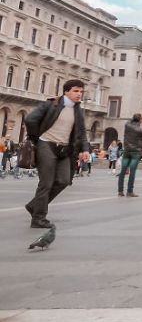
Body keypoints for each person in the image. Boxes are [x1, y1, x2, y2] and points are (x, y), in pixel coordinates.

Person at [23, 79, 90, 228]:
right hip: (46, 145)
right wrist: (36, 138)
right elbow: (30, 119)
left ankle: (34, 206)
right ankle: (38, 218)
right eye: (75, 91)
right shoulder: (51, 104)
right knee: (46, 183)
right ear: (66, 91)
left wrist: (85, 149)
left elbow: (82, 133)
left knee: (64, 180)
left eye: (81, 91)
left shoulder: (78, 110)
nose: (79, 94)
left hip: (64, 149)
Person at [119, 113, 142, 197]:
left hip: (126, 150)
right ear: (140, 120)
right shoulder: (140, 129)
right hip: (135, 152)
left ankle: (120, 191)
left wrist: (136, 119)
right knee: (132, 172)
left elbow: (130, 121)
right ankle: (129, 191)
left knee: (122, 171)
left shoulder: (127, 125)